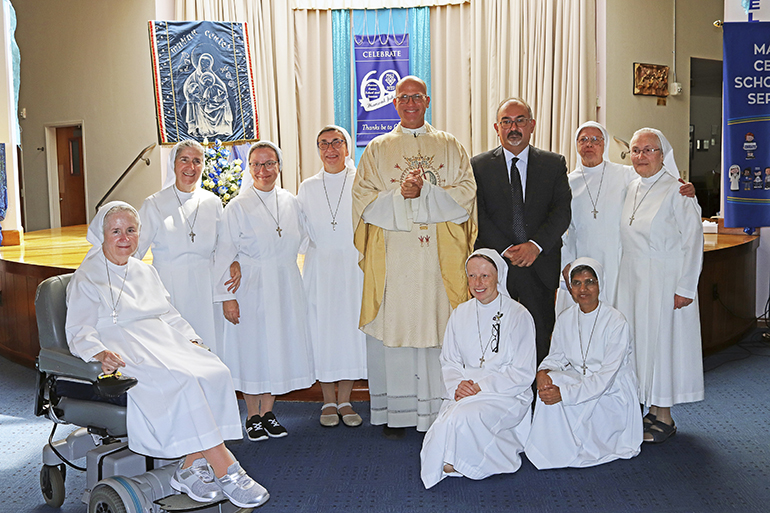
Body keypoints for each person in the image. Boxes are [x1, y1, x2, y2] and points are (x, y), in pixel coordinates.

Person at [65, 202, 268, 509]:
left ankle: (189, 465)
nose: (124, 238)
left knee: (215, 370)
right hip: (122, 346)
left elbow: (168, 314)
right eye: (116, 231)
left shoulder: (145, 270)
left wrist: (192, 340)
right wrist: (98, 352)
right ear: (101, 235)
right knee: (182, 381)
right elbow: (78, 328)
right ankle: (226, 467)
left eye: (131, 230)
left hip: (161, 339)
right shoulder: (87, 276)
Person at [352, 75, 477, 435]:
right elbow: (362, 198)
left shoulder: (450, 146)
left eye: (417, 97)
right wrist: (399, 197)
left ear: (427, 101)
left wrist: (426, 194)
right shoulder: (376, 148)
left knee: (439, 325)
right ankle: (400, 411)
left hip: (440, 259)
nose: (410, 104)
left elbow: (467, 193)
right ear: (394, 103)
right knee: (397, 325)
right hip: (396, 256)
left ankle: (441, 408)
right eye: (403, 98)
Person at [214, 141, 314, 442]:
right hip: (251, 286)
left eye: (269, 163)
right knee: (252, 348)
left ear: (279, 166)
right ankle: (252, 415)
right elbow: (223, 251)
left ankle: (269, 412)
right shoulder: (237, 206)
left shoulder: (291, 202)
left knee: (277, 346)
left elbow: (308, 240)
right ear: (249, 168)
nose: (263, 170)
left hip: (285, 283)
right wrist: (226, 296)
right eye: (257, 164)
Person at [420, 248, 535, 489]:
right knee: (446, 421)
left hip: (506, 392)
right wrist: (457, 386)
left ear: (498, 277)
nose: (477, 283)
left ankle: (488, 460)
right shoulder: (460, 313)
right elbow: (449, 360)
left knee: (461, 417)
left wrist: (480, 386)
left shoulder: (518, 314)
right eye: (471, 276)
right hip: (466, 390)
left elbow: (523, 372)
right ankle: (456, 459)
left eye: (484, 276)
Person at [616, 128, 704, 443]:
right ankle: (650, 410)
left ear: (662, 154)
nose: (641, 156)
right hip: (633, 281)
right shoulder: (631, 187)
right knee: (641, 346)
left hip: (664, 282)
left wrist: (685, 286)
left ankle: (664, 417)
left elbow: (693, 241)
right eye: (636, 150)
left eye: (649, 150)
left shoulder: (678, 192)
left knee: (662, 346)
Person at [472, 97, 572, 364]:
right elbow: (477, 215)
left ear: (532, 125)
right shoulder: (478, 166)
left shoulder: (553, 164)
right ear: (496, 127)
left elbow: (562, 212)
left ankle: (536, 400)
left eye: (520, 121)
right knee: (495, 336)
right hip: (496, 266)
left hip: (539, 265)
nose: (513, 127)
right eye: (506, 121)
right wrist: (507, 249)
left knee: (538, 336)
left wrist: (535, 246)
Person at [559, 122, 695, 310]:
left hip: (618, 263)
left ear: (604, 144)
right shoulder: (565, 183)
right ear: (576, 144)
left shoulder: (626, 175)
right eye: (583, 139)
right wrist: (566, 263)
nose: (589, 144)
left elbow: (657, 180)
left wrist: (685, 187)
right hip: (582, 260)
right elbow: (560, 230)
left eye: (596, 139)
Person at [525, 257, 642, 469]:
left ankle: (572, 446)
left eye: (590, 282)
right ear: (570, 288)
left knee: (561, 392)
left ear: (600, 285)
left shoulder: (616, 321)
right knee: (549, 383)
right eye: (577, 283)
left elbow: (607, 376)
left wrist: (566, 394)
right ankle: (553, 447)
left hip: (612, 390)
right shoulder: (566, 317)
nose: (583, 288)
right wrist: (542, 372)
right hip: (581, 380)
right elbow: (556, 357)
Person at [136, 140, 239, 356]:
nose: (190, 167)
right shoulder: (154, 203)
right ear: (174, 164)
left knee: (208, 346)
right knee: (175, 349)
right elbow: (135, 252)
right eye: (184, 160)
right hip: (169, 287)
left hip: (205, 285)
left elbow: (225, 246)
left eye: (197, 161)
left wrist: (236, 261)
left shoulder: (213, 202)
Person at [297, 125, 367, 428]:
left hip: (353, 266)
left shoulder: (362, 182)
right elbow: (298, 231)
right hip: (320, 267)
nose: (330, 149)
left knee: (350, 331)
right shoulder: (307, 187)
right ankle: (327, 400)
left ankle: (346, 399)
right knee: (322, 330)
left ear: (347, 147)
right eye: (323, 143)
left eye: (336, 142)